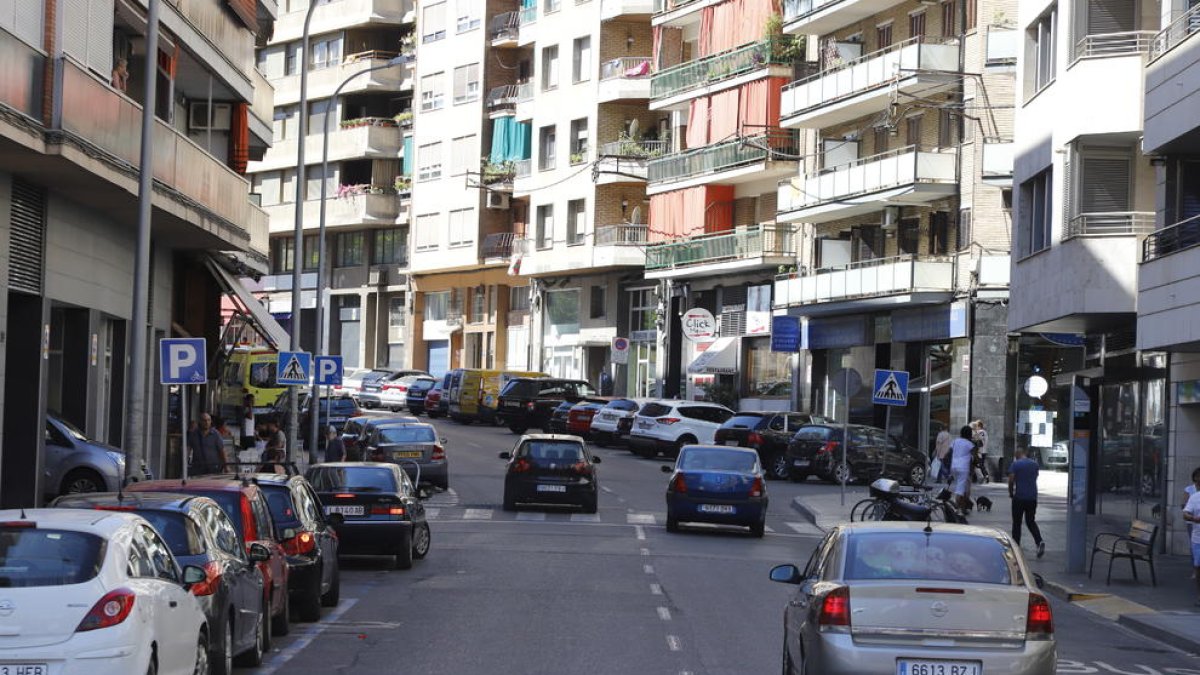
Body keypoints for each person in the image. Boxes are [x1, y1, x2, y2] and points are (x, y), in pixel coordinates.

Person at [1008, 446, 1045, 559]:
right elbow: (1035, 477)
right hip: (1032, 498)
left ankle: (1015, 547)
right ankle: (1039, 541)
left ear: (1017, 455)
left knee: (1017, 523)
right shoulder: (1034, 464)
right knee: (1030, 521)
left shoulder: (1016, 464)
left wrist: (1011, 492)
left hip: (1019, 497)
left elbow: (1011, 479)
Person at [1181, 479, 1200, 605]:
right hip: (1198, 539)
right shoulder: (1195, 497)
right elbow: (1185, 514)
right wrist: (1194, 518)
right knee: (1198, 567)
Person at [949, 425, 976, 511]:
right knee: (961, 489)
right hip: (963, 468)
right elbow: (975, 457)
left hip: (954, 466)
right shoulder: (969, 444)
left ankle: (963, 506)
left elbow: (949, 452)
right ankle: (958, 508)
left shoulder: (955, 441)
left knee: (961, 486)